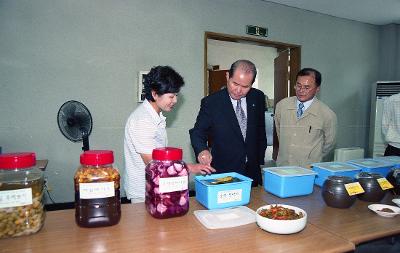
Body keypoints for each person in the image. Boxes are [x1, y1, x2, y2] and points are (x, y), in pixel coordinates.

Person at [124, 65, 215, 203]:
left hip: (157, 186)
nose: (175, 101)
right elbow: (153, 164)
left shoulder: (154, 116)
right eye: (171, 96)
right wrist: (190, 167)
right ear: (155, 94)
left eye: (176, 95)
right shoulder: (142, 120)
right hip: (144, 192)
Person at [189, 60, 267, 186]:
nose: (238, 90)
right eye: (235, 83)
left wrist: (260, 158)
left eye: (245, 87)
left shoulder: (257, 97)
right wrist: (202, 150)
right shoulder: (212, 102)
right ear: (227, 76)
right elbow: (198, 132)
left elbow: (260, 129)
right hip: (224, 171)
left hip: (252, 171)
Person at [274, 68, 337, 168]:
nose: (301, 90)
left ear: (317, 89)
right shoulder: (282, 106)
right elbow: (279, 131)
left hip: (308, 169)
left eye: (307, 87)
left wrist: (312, 157)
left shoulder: (327, 114)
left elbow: (329, 144)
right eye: (298, 86)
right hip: (283, 166)